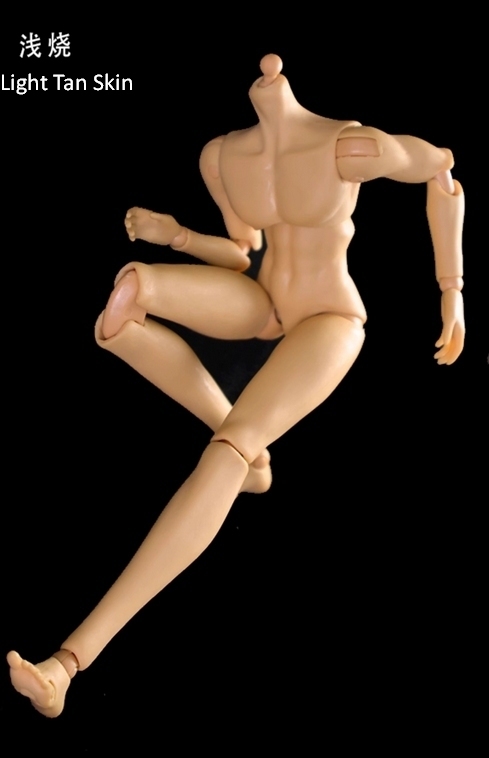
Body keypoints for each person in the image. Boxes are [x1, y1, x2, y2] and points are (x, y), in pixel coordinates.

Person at [7, 53, 465, 717]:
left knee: (224, 451)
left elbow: (441, 169)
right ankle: (250, 456)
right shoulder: (222, 157)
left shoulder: (348, 145)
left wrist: (452, 291)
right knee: (128, 300)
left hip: (329, 316)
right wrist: (175, 236)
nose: (266, 74)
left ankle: (69, 662)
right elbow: (241, 254)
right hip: (262, 300)